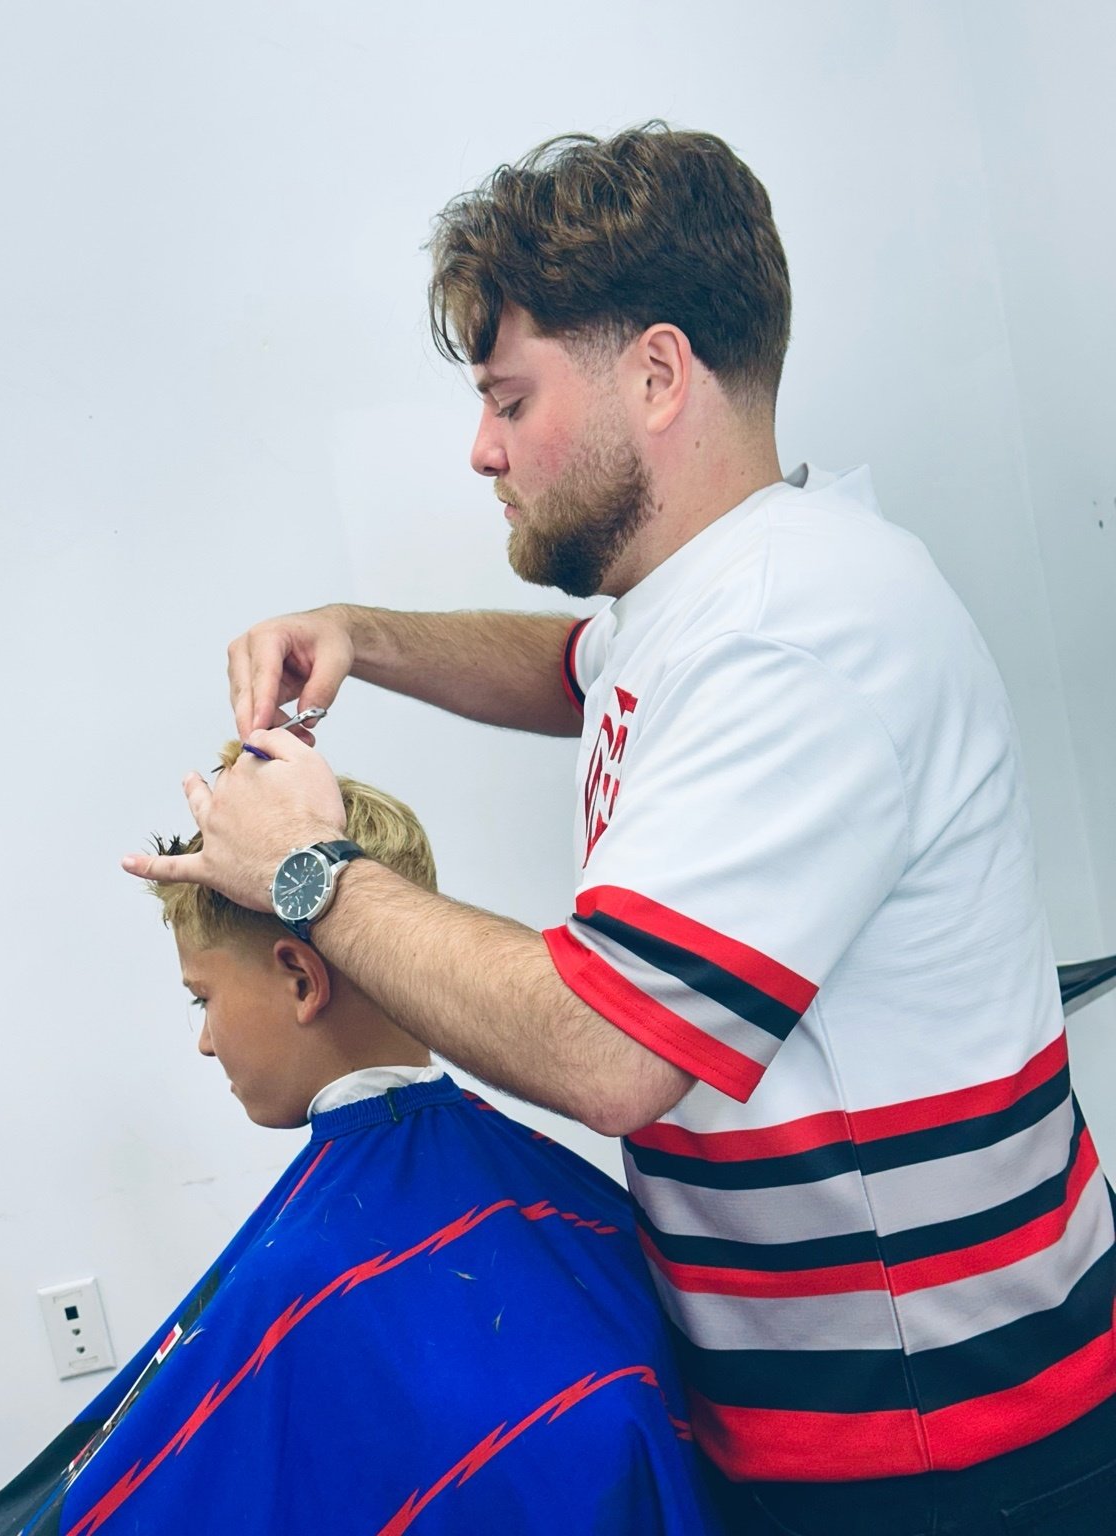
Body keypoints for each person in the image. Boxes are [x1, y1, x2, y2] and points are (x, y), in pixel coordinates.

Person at [126, 127, 1116, 1533]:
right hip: (852, 1424)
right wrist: (361, 635)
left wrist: (305, 872)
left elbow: (608, 1050)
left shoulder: (796, 640)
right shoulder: (717, 593)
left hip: (945, 1454)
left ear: (657, 374)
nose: (482, 450)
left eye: (509, 400)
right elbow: (572, 672)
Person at [0, 746, 719, 1536]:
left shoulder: (297, 1276)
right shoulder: (586, 1207)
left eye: (203, 999)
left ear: (301, 979)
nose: (205, 1042)